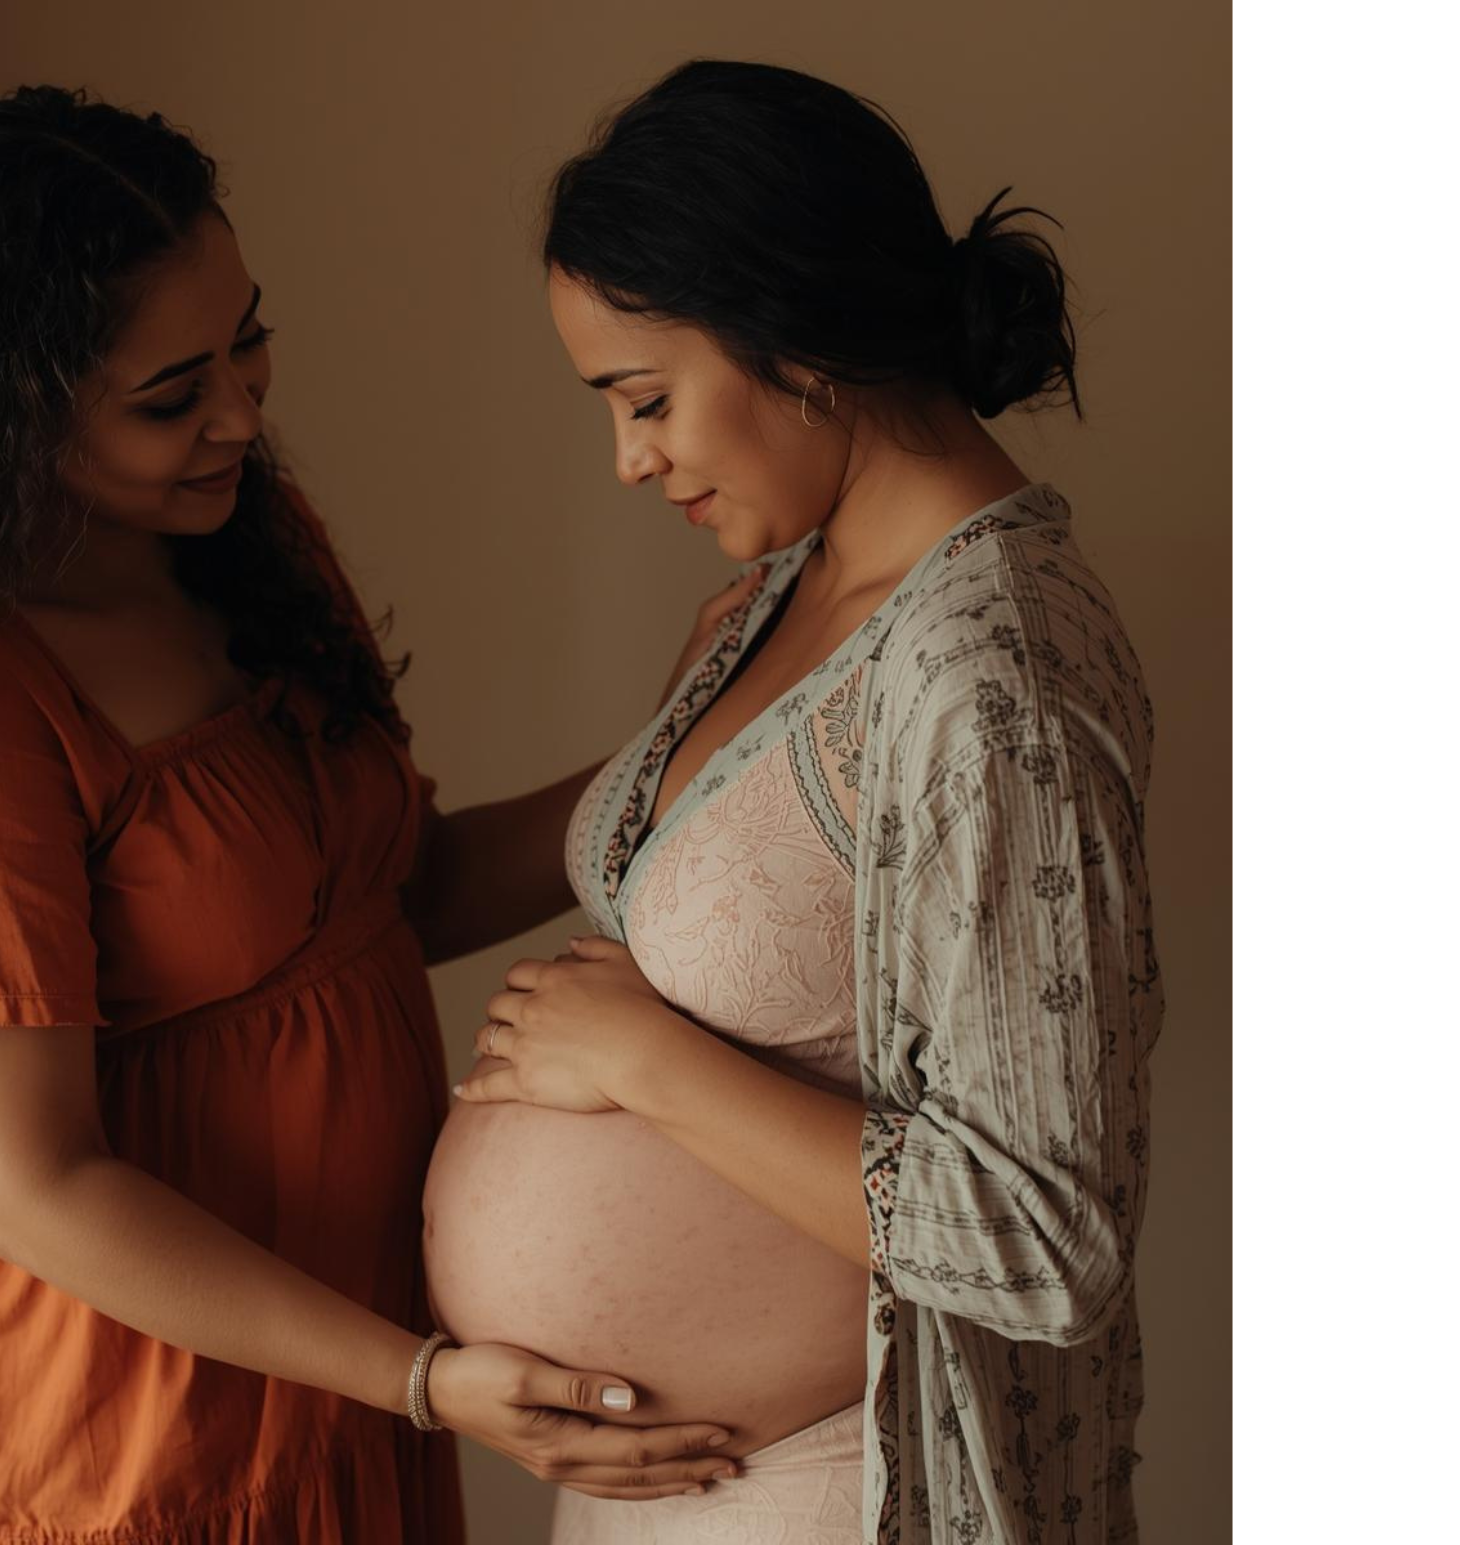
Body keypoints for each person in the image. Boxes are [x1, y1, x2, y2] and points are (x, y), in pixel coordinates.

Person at [0, 84, 749, 1545]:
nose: (243, 416)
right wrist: (425, 1380)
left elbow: (405, 886)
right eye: (170, 395)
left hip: (334, 1398)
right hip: (109, 1454)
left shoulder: (233, 551)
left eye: (246, 342)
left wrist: (690, 753)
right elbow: (34, 1186)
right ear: (1, 411)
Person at [428, 59, 1161, 1544]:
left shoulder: (990, 673)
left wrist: (643, 1063)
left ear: (800, 340)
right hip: (667, 1492)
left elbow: (1045, 1237)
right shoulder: (777, 594)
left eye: (644, 399)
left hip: (854, 1484)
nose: (631, 458)